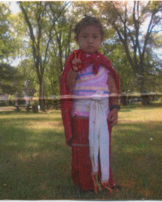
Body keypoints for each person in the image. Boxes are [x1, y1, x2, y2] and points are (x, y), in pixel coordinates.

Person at [60, 16, 121, 194]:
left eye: (95, 37)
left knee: (103, 147)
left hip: (103, 113)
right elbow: (68, 85)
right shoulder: (74, 60)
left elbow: (113, 87)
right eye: (85, 37)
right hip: (81, 114)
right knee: (83, 149)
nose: (90, 41)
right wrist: (74, 69)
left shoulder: (104, 63)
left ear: (101, 39)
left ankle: (105, 180)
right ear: (77, 39)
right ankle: (86, 184)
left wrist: (115, 108)